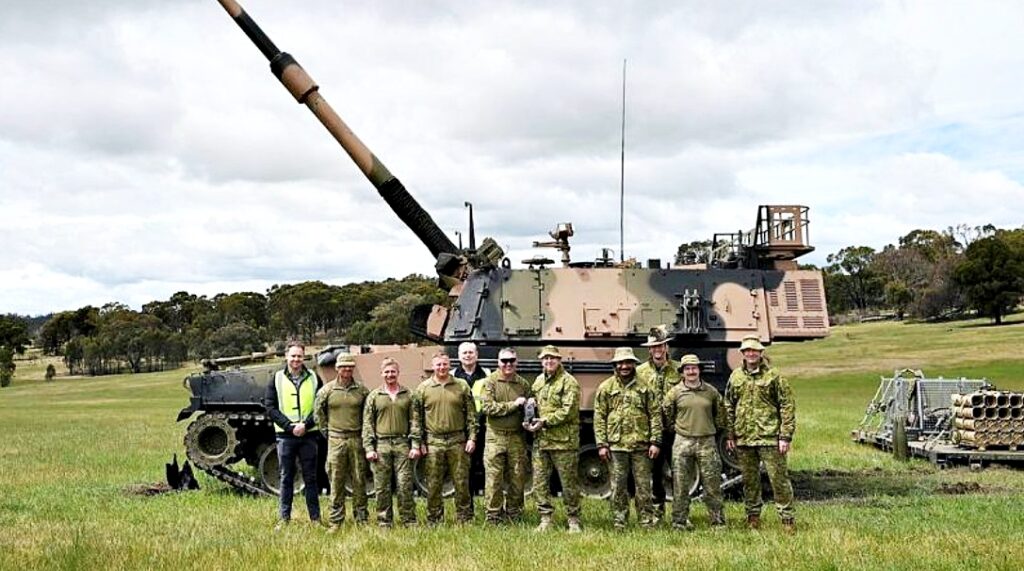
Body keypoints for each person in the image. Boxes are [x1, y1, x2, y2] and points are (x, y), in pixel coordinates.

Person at [725, 335, 797, 533]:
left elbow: (787, 406)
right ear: (742, 353)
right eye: (747, 351)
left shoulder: (774, 376)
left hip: (770, 437)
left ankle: (787, 519)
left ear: (760, 353)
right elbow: (729, 404)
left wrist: (785, 436)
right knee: (750, 481)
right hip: (744, 438)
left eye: (754, 350)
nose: (751, 354)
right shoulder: (736, 377)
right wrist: (730, 434)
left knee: (779, 480)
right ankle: (753, 517)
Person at [593, 347, 662, 530]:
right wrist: (602, 444)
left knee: (644, 486)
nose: (624, 366)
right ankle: (619, 520)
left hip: (642, 445)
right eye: (620, 363)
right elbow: (599, 416)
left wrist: (655, 441)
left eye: (628, 363)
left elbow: (655, 414)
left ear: (633, 364)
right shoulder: (606, 387)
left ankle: (646, 521)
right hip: (616, 446)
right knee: (618, 487)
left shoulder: (646, 386)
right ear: (615, 365)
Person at [662, 354, 726, 530]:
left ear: (699, 370)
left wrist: (710, 428)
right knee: (681, 485)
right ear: (682, 372)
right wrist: (677, 429)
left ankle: (717, 522)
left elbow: (720, 415)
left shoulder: (711, 392)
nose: (691, 372)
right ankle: (679, 522)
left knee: (712, 485)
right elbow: (667, 415)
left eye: (694, 368)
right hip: (683, 441)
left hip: (707, 441)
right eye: (687, 369)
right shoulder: (674, 393)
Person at [413, 351, 478, 524]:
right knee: (433, 484)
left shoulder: (461, 386)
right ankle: (434, 518)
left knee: (461, 481)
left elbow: (471, 415)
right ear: (433, 367)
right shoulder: (423, 388)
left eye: (444, 364)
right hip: (434, 441)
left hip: (457, 440)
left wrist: (472, 437)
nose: (442, 368)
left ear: (450, 365)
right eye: (438, 365)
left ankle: (464, 518)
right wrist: (419, 442)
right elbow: (416, 418)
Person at [264, 342, 323, 530]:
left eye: (299, 356)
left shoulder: (314, 377)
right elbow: (270, 407)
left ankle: (315, 519)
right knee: (286, 477)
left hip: (309, 435)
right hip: (286, 436)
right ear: (286, 357)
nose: (296, 359)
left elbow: (320, 406)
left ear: (304, 357)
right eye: (293, 356)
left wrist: (306, 424)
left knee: (311, 478)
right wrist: (290, 427)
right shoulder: (277, 378)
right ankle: (284, 518)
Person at [528, 345, 582, 533]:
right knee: (540, 483)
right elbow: (534, 402)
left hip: (563, 443)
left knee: (569, 483)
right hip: (541, 441)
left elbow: (568, 411)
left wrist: (545, 421)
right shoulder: (539, 381)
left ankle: (573, 519)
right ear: (541, 361)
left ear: (559, 360)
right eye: (545, 359)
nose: (549, 361)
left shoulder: (569, 382)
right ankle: (545, 519)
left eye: (552, 358)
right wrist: (530, 413)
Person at [313, 353, 370, 531]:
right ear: (337, 368)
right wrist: (328, 433)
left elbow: (368, 416)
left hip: (356, 439)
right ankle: (336, 520)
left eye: (350, 367)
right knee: (336, 481)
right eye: (343, 366)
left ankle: (361, 519)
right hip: (336, 439)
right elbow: (318, 414)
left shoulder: (361, 390)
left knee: (360, 480)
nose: (346, 369)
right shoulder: (327, 391)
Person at [363, 357, 421, 528]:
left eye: (393, 372)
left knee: (405, 484)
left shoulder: (409, 395)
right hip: (381, 445)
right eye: (387, 372)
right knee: (382, 486)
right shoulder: (374, 396)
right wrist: (368, 447)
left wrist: (415, 444)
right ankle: (384, 521)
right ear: (382, 374)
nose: (390, 375)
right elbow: (368, 423)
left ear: (398, 373)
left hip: (402, 443)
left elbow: (415, 421)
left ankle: (408, 520)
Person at [478, 347, 533, 524]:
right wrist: (513, 405)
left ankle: (514, 514)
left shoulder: (523, 384)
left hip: (517, 437)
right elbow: (487, 408)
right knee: (494, 479)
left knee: (517, 477)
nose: (508, 364)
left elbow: (528, 409)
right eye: (504, 361)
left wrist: (530, 408)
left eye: (511, 361)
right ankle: (493, 516)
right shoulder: (490, 383)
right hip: (496, 436)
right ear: (498, 362)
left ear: (516, 362)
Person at [635, 325, 680, 522]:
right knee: (653, 473)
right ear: (649, 349)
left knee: (679, 473)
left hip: (674, 430)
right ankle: (657, 512)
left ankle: (680, 513)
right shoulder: (640, 372)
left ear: (667, 348)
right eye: (654, 347)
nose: (657, 350)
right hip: (650, 432)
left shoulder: (679, 370)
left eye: (661, 346)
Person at [452, 341, 490, 492]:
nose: (468, 356)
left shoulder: (487, 373)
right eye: (464, 353)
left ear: (476, 355)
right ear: (459, 356)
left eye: (471, 352)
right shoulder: (452, 375)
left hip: (483, 423)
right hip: (461, 425)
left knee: (482, 461)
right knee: (462, 463)